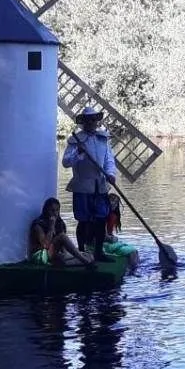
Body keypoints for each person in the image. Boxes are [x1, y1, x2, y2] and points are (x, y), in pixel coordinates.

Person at [62, 107, 117, 262]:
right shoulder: (75, 140)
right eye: (88, 120)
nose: (91, 122)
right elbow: (66, 162)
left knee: (101, 219)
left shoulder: (103, 139)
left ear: (97, 121)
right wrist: (78, 153)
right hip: (82, 186)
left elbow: (109, 160)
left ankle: (98, 252)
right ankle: (81, 253)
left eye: (94, 119)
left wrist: (111, 174)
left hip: (100, 185)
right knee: (83, 220)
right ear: (83, 122)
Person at [28, 198, 96, 269]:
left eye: (57, 210)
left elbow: (63, 246)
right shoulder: (38, 225)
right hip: (42, 255)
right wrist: (51, 227)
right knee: (62, 236)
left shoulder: (60, 223)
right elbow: (45, 245)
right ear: (46, 210)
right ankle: (86, 262)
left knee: (90, 256)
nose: (55, 213)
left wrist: (66, 254)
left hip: (56, 253)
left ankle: (65, 263)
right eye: (52, 210)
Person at [104, 193, 139, 271]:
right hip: (101, 244)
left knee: (133, 250)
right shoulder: (103, 216)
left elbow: (109, 234)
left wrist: (112, 238)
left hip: (108, 243)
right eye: (112, 201)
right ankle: (133, 271)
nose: (114, 203)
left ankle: (133, 268)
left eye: (116, 202)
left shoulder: (112, 215)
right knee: (132, 251)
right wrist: (112, 239)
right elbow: (104, 236)